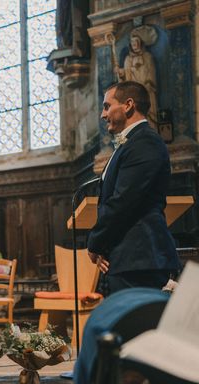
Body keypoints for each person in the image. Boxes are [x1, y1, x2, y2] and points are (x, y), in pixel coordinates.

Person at [88, 81, 180, 294]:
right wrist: (105, 247)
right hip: (127, 258)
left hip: (141, 258)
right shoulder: (130, 144)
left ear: (128, 105)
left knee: (139, 326)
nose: (103, 114)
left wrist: (95, 243)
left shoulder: (144, 143)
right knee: (125, 327)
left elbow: (123, 202)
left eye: (107, 106)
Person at [117, 33, 157, 126]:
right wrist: (120, 73)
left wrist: (148, 84)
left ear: (140, 44)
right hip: (133, 93)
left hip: (146, 90)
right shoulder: (127, 59)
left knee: (149, 115)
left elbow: (151, 72)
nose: (134, 44)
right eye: (132, 42)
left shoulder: (147, 56)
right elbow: (125, 77)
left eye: (136, 42)